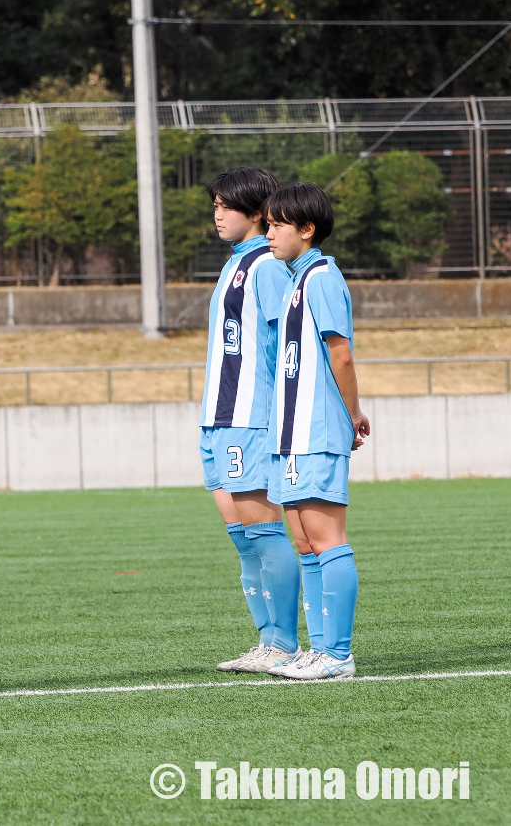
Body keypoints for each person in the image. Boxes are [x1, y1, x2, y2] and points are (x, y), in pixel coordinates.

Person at [263, 182, 370, 681]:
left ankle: (339, 654)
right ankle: (319, 648)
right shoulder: (294, 281)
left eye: (278, 224)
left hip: (317, 429)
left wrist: (353, 413)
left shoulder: (323, 276)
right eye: (267, 223)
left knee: (328, 540)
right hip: (290, 435)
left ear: (307, 230)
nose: (270, 233)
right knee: (304, 542)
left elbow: (340, 352)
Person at [198, 168, 301, 674]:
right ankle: (267, 642)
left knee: (262, 530)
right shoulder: (236, 264)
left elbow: (288, 341)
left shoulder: (266, 265)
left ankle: (285, 644)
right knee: (241, 537)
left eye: (227, 205)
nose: (218, 214)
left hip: (249, 418)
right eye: (214, 204)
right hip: (217, 417)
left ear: (258, 212)